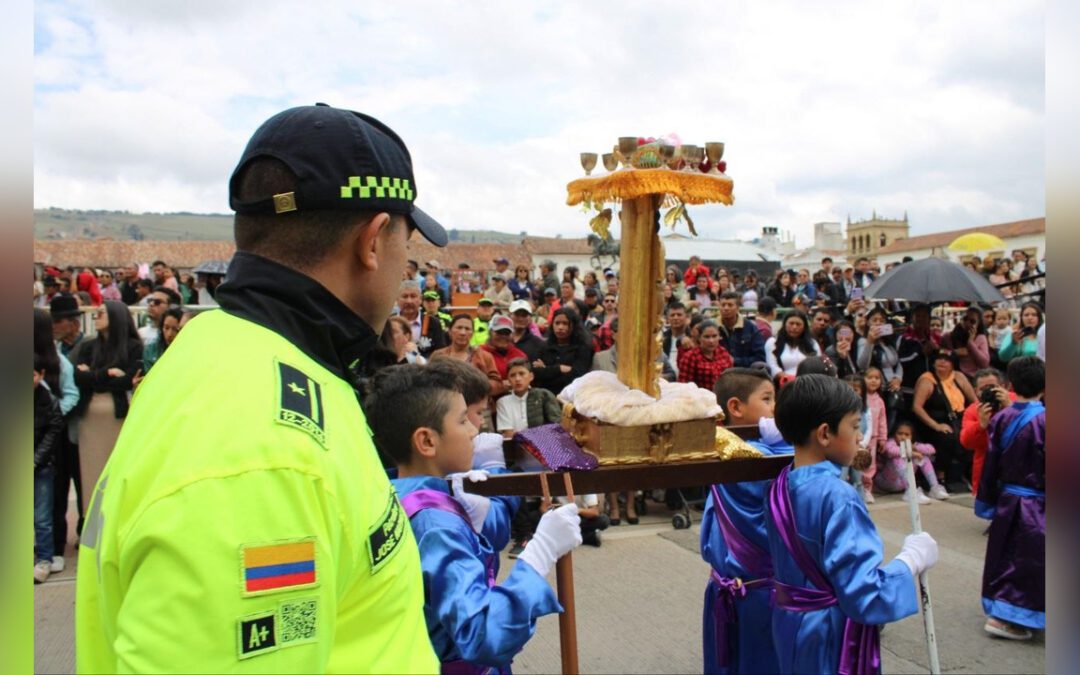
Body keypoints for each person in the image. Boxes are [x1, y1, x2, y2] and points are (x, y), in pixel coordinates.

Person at [76, 104, 448, 672]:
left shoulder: (217, 350)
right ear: (373, 242)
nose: (406, 273)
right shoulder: (267, 453)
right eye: (407, 247)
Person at [367, 364, 580, 671]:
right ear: (426, 441)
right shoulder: (435, 524)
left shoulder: (393, 492)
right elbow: (483, 635)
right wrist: (540, 552)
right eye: (462, 420)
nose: (474, 430)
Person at [766, 375, 937, 674]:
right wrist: (910, 561)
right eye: (855, 426)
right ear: (824, 434)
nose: (860, 437)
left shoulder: (780, 483)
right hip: (827, 632)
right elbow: (864, 592)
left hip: (788, 622)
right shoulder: (838, 496)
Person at [700, 367, 785, 674]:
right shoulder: (745, 455)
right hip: (760, 594)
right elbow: (802, 474)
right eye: (767, 398)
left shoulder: (723, 446)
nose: (776, 408)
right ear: (735, 407)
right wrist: (790, 442)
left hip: (736, 588)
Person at [975, 356, 1045, 641]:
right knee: (1031, 560)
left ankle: (1003, 608)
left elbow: (991, 462)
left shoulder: (1001, 417)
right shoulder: (1047, 419)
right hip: (1039, 504)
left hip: (1008, 499)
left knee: (1005, 554)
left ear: (1011, 384)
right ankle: (1010, 618)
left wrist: (988, 501)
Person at [72, 301, 143, 516]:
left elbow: (128, 380)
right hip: (89, 418)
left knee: (114, 472)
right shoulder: (88, 347)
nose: (96, 317)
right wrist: (107, 374)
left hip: (117, 415)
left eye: (101, 313)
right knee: (90, 473)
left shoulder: (132, 346)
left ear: (115, 316)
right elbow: (79, 378)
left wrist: (92, 374)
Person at [912, 349, 976, 493]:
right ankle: (940, 477)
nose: (942, 362)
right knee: (947, 438)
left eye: (946, 359)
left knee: (972, 435)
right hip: (934, 421)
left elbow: (974, 401)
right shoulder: (927, 380)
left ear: (953, 364)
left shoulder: (959, 377)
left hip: (960, 418)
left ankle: (965, 474)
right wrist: (936, 425)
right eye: (939, 359)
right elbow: (917, 407)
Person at [34, 354, 66, 584]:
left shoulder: (47, 400)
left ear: (42, 375)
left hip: (41, 466)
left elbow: (54, 430)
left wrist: (35, 460)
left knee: (42, 517)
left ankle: (44, 559)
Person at [960, 368, 1014, 495]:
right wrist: (981, 425)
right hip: (987, 471)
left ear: (1003, 387)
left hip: (1016, 471)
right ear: (976, 392)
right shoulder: (973, 410)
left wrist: (1010, 409)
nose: (989, 391)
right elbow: (966, 442)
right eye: (983, 389)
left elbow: (1032, 429)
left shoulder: (1016, 401)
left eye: (992, 387)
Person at [431, 314, 505, 403]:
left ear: (472, 333)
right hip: (446, 406)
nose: (463, 332)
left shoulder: (485, 357)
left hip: (478, 407)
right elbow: (428, 382)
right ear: (450, 331)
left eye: (467, 329)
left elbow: (498, 385)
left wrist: (478, 385)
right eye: (459, 327)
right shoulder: (438, 356)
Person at [873, 421, 946, 502]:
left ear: (912, 436)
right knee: (897, 458)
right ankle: (912, 492)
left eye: (907, 435)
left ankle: (935, 487)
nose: (903, 437)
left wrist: (916, 449)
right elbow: (891, 451)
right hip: (885, 482)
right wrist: (912, 453)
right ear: (894, 434)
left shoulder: (913, 445)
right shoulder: (890, 442)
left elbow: (931, 449)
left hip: (902, 484)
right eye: (900, 434)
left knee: (923, 458)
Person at [496, 358, 563, 439]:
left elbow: (556, 426)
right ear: (508, 380)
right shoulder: (503, 402)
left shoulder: (544, 395)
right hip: (516, 447)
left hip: (545, 444)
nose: (517, 379)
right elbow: (509, 434)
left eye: (521, 374)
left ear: (531, 376)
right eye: (513, 375)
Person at [677, 320, 734, 392]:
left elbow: (731, 377)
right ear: (699, 338)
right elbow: (684, 386)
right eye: (707, 337)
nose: (711, 341)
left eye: (714, 336)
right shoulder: (690, 357)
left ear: (719, 337)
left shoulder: (723, 352)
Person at [859, 367, 889, 503]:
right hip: (859, 437)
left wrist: (883, 438)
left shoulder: (879, 401)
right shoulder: (859, 397)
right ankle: (856, 487)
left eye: (877, 378)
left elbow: (882, 420)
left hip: (873, 438)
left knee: (869, 464)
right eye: (869, 377)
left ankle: (867, 489)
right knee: (856, 462)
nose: (873, 381)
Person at [715, 291, 766, 367]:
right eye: (723, 305)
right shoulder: (712, 327)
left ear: (738, 308)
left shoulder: (750, 328)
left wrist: (735, 361)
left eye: (730, 305)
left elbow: (760, 357)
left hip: (744, 372)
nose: (726, 308)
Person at [764, 311, 822, 377]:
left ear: (804, 327)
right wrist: (786, 378)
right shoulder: (772, 342)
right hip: (783, 382)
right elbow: (772, 365)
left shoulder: (813, 343)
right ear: (785, 324)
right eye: (791, 323)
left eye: (798, 324)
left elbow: (818, 365)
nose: (794, 327)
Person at [942, 306, 990, 381]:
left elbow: (984, 363)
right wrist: (954, 353)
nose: (967, 323)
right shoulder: (948, 337)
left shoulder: (980, 338)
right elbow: (940, 352)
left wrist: (970, 343)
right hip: (950, 377)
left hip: (972, 379)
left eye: (972, 321)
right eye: (965, 319)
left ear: (978, 325)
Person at [662, 302, 691, 378]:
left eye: (679, 315)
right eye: (672, 315)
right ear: (668, 319)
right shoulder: (662, 338)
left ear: (686, 317)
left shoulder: (693, 337)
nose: (675, 318)